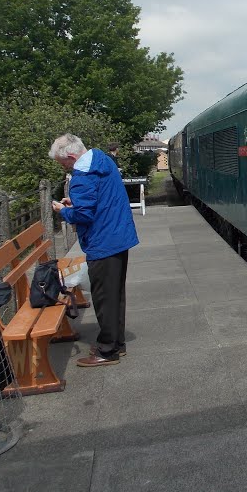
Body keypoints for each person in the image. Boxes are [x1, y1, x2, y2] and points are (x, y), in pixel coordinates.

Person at [49, 134, 139, 367]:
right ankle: (117, 344)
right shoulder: (103, 160)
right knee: (115, 295)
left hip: (102, 242)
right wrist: (76, 201)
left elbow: (83, 215)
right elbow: (100, 197)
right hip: (119, 236)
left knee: (103, 298)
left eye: (63, 163)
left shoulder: (82, 177)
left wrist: (63, 210)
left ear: (71, 157)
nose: (64, 167)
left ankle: (107, 351)